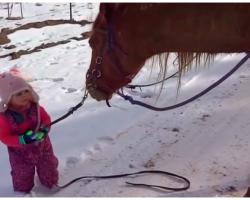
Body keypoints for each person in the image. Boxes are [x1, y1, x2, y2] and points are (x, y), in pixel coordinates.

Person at [0, 72, 59, 194]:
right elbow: (4, 137)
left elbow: (46, 119)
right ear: (8, 97)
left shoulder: (36, 107)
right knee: (22, 181)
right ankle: (23, 192)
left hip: (43, 147)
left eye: (26, 91)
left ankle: (50, 176)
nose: (24, 96)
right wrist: (22, 140)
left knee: (49, 172)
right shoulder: (4, 117)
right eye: (18, 94)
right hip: (20, 154)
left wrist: (44, 129)